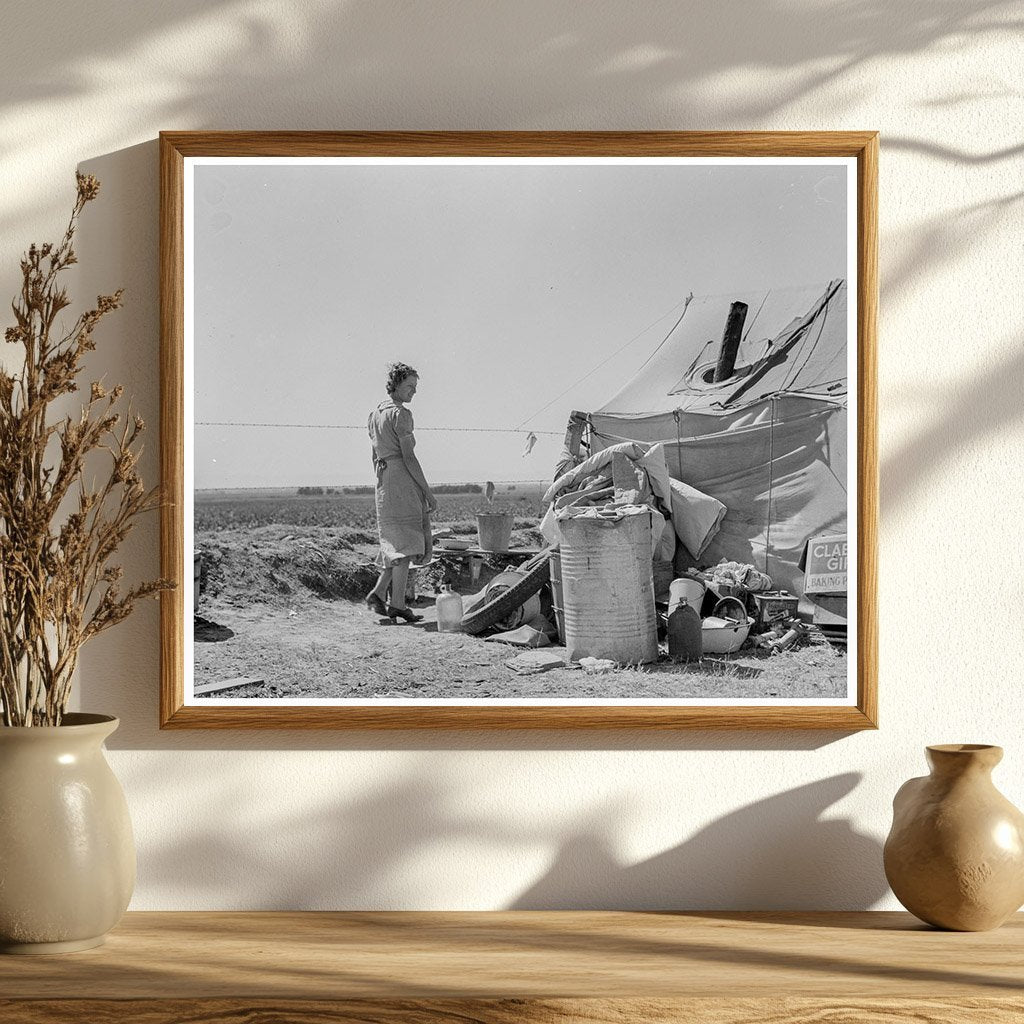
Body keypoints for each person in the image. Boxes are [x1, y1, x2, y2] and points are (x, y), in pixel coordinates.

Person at [365, 362, 437, 623]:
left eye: (415, 387)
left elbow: (374, 455)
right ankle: (397, 605)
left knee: (394, 541)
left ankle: (378, 593)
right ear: (396, 385)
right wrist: (427, 492)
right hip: (401, 479)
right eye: (409, 386)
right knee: (405, 543)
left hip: (384, 480)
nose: (413, 392)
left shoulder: (375, 414)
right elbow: (409, 457)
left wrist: (382, 480)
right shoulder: (401, 414)